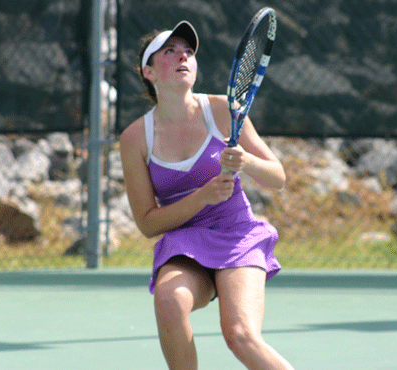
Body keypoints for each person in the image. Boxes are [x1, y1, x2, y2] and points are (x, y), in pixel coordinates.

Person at [119, 20, 294, 370]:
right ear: (149, 72)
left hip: (237, 235)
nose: (183, 56)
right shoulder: (135, 138)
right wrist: (202, 197)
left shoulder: (223, 110)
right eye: (170, 51)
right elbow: (148, 223)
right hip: (185, 244)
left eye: (188, 51)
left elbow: (278, 177)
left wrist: (246, 162)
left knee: (240, 335)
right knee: (168, 300)